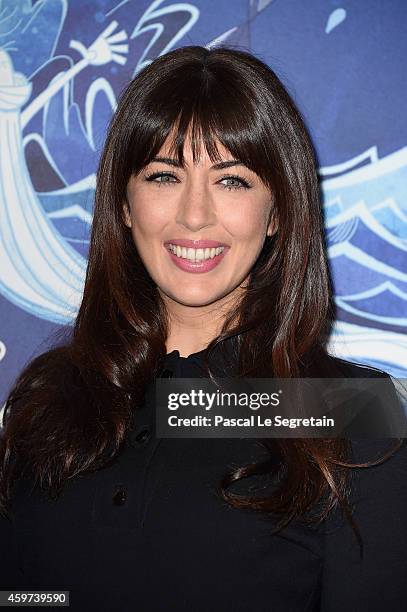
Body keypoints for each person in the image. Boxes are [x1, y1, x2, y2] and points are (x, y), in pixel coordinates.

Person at [1, 45, 406, 611]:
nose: (195, 215)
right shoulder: (51, 397)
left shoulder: (350, 410)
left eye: (232, 181)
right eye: (164, 175)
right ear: (123, 203)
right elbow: (25, 596)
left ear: (278, 211)